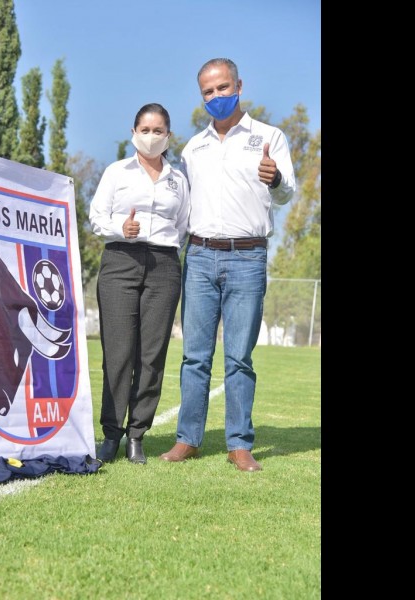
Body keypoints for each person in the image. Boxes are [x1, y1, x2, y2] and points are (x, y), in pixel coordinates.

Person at [160, 58, 296, 472]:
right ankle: (188, 440)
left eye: (222, 87)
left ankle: (239, 444)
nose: (216, 96)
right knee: (195, 357)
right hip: (199, 256)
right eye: (208, 91)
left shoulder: (269, 137)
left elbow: (286, 193)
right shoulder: (193, 148)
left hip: (248, 257)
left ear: (239, 86)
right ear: (201, 96)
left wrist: (275, 178)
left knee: (239, 357)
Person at [89, 103, 190, 464]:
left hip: (164, 266)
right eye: (144, 130)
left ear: (168, 136)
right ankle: (111, 434)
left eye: (158, 131)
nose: (151, 137)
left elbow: (182, 225)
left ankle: (137, 436)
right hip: (120, 261)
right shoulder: (116, 172)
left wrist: (160, 246)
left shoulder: (179, 180)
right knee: (118, 353)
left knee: (152, 354)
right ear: (133, 133)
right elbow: (96, 216)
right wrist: (122, 228)